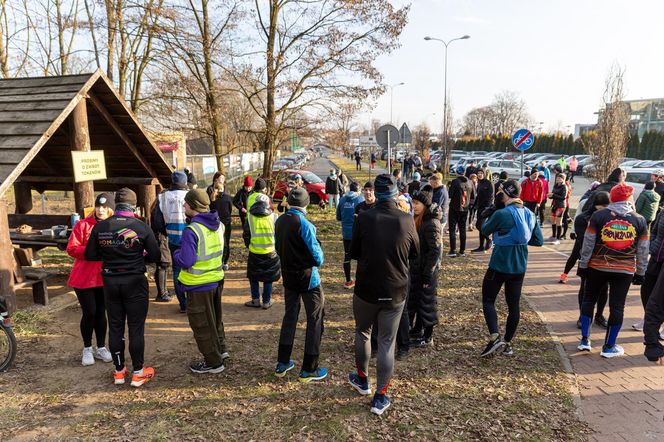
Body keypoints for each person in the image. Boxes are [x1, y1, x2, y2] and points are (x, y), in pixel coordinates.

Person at [347, 174, 419, 416]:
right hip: (395, 289)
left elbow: (354, 251)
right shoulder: (406, 219)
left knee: (363, 332)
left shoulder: (363, 217)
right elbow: (415, 253)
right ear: (396, 193)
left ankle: (362, 380)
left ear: (375, 193)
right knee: (388, 342)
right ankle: (380, 396)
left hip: (366, 288)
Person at [84, 188, 161, 387]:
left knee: (116, 327)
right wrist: (138, 254)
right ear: (134, 206)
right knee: (136, 327)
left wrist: (110, 255)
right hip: (135, 281)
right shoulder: (141, 227)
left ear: (115, 205)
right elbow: (155, 256)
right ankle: (138, 373)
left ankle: (119, 372)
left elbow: (90, 255)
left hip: (110, 281)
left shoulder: (101, 228)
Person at [577, 183, 648, 358]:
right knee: (617, 307)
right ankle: (609, 347)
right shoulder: (639, 220)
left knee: (589, 299)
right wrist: (640, 272)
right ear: (629, 199)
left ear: (612, 198)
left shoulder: (598, 216)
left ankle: (585, 340)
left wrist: (583, 264)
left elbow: (588, 242)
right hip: (624, 270)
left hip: (597, 266)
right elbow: (643, 250)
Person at [479, 180, 544, 357]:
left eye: (500, 190)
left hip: (499, 264)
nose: (498, 193)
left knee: (488, 300)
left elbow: (484, 229)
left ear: (504, 193)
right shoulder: (530, 214)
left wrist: (492, 211)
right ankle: (508, 343)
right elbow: (539, 240)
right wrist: (518, 238)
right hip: (519, 266)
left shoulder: (502, 214)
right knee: (513, 305)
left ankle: (494, 337)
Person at [173, 189, 229, 374]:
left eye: (185, 203)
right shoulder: (219, 225)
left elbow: (187, 260)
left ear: (192, 206)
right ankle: (221, 350)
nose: (183, 206)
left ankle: (213, 363)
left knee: (202, 325)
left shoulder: (192, 230)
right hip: (216, 280)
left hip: (198, 285)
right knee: (215, 319)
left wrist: (176, 254)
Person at [274, 188, 327, 382]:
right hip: (308, 278)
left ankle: (282, 362)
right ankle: (309, 368)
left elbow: (277, 247)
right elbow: (318, 258)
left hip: (288, 276)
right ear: (306, 204)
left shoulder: (279, 220)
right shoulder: (305, 224)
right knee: (315, 319)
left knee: (290, 317)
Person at [66, 193, 115, 366]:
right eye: (98, 206)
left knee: (101, 312)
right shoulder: (83, 225)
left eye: (104, 207)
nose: (100, 210)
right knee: (90, 312)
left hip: (105, 277)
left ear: (111, 208)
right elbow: (71, 248)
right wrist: (91, 250)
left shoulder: (114, 225)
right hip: (83, 278)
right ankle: (87, 348)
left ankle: (101, 347)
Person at [558, 192, 610, 329]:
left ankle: (599, 315)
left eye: (608, 206)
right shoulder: (583, 218)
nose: (606, 209)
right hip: (588, 259)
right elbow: (584, 239)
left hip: (605, 260)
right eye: (603, 206)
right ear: (596, 205)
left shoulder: (610, 217)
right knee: (585, 288)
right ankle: (583, 316)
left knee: (604, 289)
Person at [408, 188, 442, 348]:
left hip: (428, 270)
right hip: (418, 268)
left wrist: (428, 274)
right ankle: (417, 329)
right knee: (418, 300)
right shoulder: (419, 220)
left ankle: (428, 337)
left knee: (427, 302)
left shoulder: (431, 223)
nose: (413, 206)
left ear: (425, 205)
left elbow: (435, 251)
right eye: (412, 202)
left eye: (416, 203)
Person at [152, 171, 189, 313]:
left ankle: (183, 304)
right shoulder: (190, 195)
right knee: (192, 268)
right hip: (191, 237)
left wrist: (167, 231)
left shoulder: (163, 197)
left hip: (173, 239)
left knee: (177, 271)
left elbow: (158, 222)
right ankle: (192, 302)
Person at [241, 193, 281, 309]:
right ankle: (266, 301)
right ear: (267, 203)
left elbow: (246, 235)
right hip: (271, 252)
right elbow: (278, 235)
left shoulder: (249, 217)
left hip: (254, 252)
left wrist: (250, 246)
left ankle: (255, 300)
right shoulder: (274, 217)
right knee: (268, 277)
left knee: (253, 276)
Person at [634, 208, 664, 331]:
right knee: (646, 288)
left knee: (661, 293)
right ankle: (648, 318)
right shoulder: (662, 212)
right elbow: (654, 231)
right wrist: (652, 244)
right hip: (656, 256)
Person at [337, 182, 364, 289]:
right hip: (357, 233)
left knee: (347, 256)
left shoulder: (342, 200)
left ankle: (348, 281)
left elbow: (338, 217)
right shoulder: (360, 199)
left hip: (346, 234)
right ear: (358, 190)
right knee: (361, 257)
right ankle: (360, 280)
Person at [207, 172, 233, 270]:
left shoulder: (212, 198)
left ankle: (216, 261)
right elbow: (230, 209)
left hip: (215, 222)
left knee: (216, 242)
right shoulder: (227, 197)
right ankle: (224, 262)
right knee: (226, 242)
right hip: (225, 222)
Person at [447, 173, 472, 257]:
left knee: (452, 229)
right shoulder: (470, 182)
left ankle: (453, 250)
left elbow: (450, 195)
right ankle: (462, 250)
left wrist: (449, 187)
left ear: (457, 173)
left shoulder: (455, 182)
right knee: (462, 229)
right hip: (465, 209)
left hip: (455, 208)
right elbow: (473, 196)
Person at [471, 169, 494, 252]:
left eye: (481, 173)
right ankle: (481, 246)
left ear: (484, 174)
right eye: (478, 173)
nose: (480, 175)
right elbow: (477, 196)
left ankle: (488, 239)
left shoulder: (489, 183)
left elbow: (491, 196)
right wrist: (474, 206)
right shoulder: (479, 183)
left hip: (486, 208)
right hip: (479, 207)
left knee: (479, 225)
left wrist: (487, 207)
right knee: (481, 226)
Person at [429, 173, 449, 252]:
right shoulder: (438, 189)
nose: (431, 185)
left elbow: (435, 206)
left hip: (440, 218)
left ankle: (438, 260)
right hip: (439, 217)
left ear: (436, 182)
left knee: (438, 240)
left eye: (431, 183)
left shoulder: (441, 191)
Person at [548, 173, 568, 244]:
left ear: (563, 179)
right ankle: (553, 236)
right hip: (554, 205)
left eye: (559, 178)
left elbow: (563, 197)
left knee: (558, 222)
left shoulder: (564, 187)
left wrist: (554, 195)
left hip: (561, 206)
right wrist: (550, 196)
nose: (557, 179)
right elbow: (553, 194)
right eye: (557, 178)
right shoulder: (556, 185)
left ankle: (557, 239)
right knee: (552, 220)